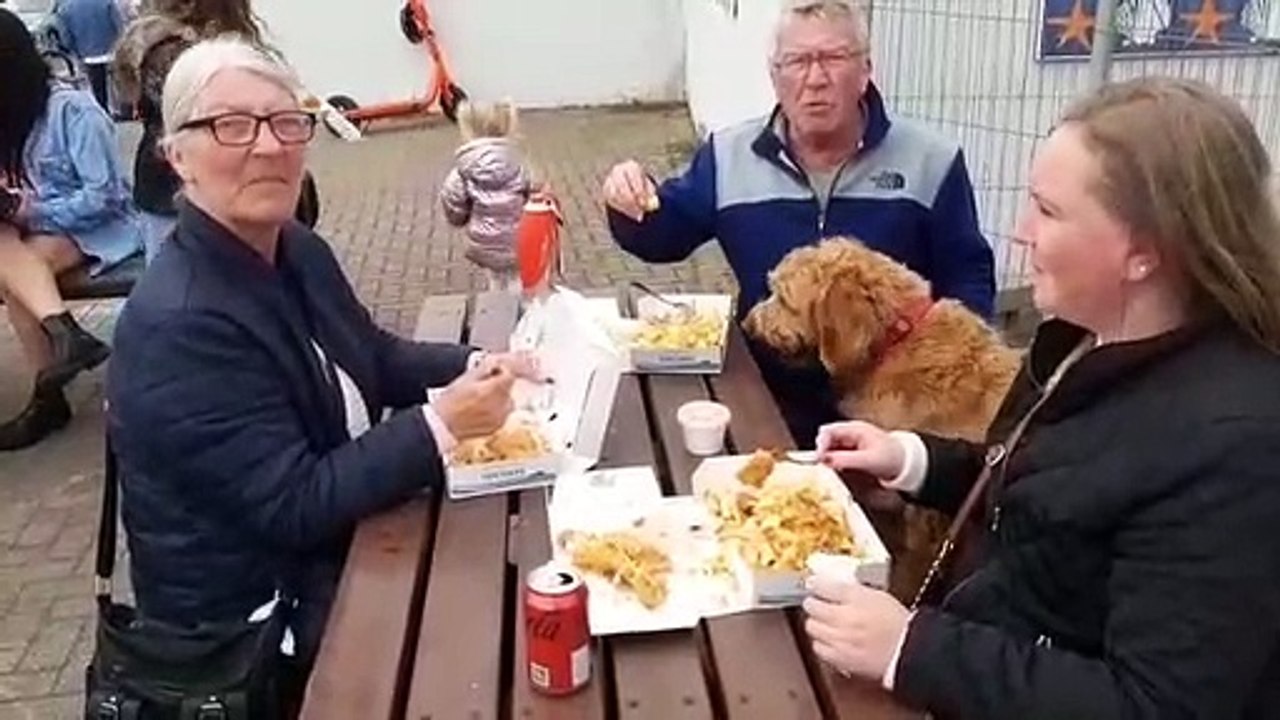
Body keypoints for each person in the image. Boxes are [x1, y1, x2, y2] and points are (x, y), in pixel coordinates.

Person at [804, 77, 1280, 718]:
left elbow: (1155, 705)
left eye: (1048, 211)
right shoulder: (1088, 337)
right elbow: (1051, 496)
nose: (1021, 232)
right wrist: (911, 461)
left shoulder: (1236, 446)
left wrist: (911, 650)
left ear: (1144, 252)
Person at [105, 36, 537, 696]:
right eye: (231, 125)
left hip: (336, 557)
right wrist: (442, 425)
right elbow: (294, 503)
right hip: (253, 639)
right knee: (486, 638)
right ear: (177, 158)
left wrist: (482, 360)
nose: (271, 146)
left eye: (287, 122)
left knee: (522, 554)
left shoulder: (294, 248)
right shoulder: (179, 322)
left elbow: (373, 355)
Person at [601, 0, 994, 444]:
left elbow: (968, 277)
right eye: (798, 61)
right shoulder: (730, 155)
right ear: (775, 76)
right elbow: (662, 234)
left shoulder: (930, 160)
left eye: (833, 58)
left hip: (898, 411)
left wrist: (948, 386)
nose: (815, 79)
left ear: (865, 70)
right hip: (767, 394)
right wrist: (629, 199)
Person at [0, 8, 143, 451]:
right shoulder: (11, 118)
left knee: (17, 276)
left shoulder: (74, 110)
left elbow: (105, 198)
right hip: (36, 233)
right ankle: (64, 334)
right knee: (13, 260)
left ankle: (49, 398)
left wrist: (28, 209)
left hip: (102, 230)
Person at [112, 0, 316, 263]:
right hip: (176, 189)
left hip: (182, 181)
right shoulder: (172, 51)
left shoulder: (189, 44)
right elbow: (189, 118)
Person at [440, 99, 532, 293]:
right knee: (518, 278)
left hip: (484, 243)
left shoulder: (461, 171)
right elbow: (536, 196)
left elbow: (454, 210)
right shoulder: (521, 164)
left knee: (496, 278)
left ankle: (498, 309)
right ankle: (522, 312)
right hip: (520, 239)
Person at [52, 0, 125, 110]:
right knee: (116, 84)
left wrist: (76, 53)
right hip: (112, 52)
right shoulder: (106, 2)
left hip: (88, 56)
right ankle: (121, 109)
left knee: (97, 89)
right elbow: (120, 26)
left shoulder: (65, 9)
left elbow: (66, 37)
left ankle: (103, 110)